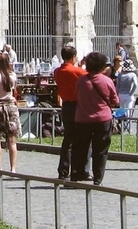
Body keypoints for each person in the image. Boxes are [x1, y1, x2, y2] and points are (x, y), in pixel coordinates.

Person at [68, 51, 119, 186]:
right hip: (102, 119)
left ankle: (76, 175)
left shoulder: (81, 81)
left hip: (82, 119)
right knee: (100, 150)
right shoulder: (107, 81)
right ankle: (98, 179)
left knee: (79, 148)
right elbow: (115, 101)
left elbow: (77, 95)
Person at [54, 44, 86, 181]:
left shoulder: (57, 71)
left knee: (67, 139)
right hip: (78, 106)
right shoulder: (79, 72)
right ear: (73, 57)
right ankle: (78, 170)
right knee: (80, 139)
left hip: (66, 105)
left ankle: (63, 170)